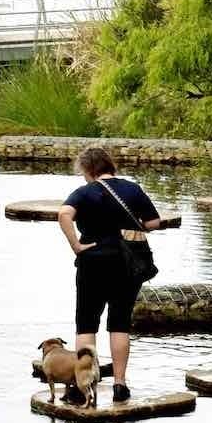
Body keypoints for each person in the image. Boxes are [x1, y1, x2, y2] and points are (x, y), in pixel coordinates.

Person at [58, 145, 162, 402]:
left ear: (88, 169)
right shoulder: (132, 189)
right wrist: (133, 226)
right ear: (109, 165)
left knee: (86, 323)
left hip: (92, 261)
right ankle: (119, 385)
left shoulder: (84, 193)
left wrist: (76, 245)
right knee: (120, 323)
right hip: (127, 263)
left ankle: (83, 387)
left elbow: (64, 214)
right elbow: (153, 222)